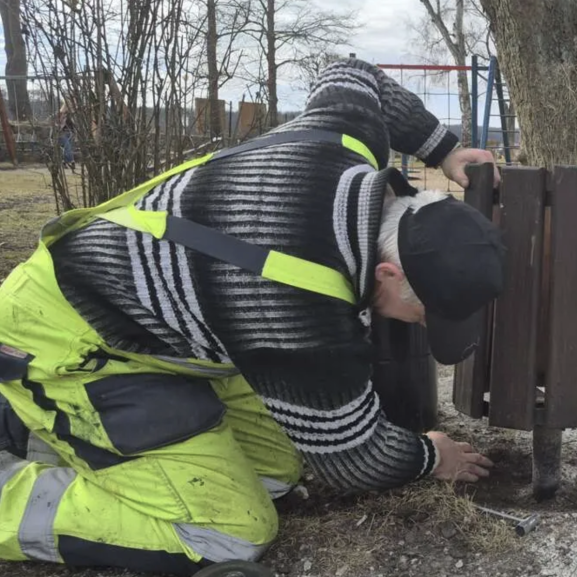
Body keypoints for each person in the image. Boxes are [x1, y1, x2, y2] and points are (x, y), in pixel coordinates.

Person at [0, 57, 505, 576]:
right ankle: (19, 479)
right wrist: (429, 455)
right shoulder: (297, 308)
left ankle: (80, 436)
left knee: (275, 469)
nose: (419, 325)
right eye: (422, 314)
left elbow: (354, 74)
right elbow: (353, 456)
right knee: (228, 534)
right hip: (69, 335)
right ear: (388, 274)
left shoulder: (345, 144)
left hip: (154, 325)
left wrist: (445, 150)